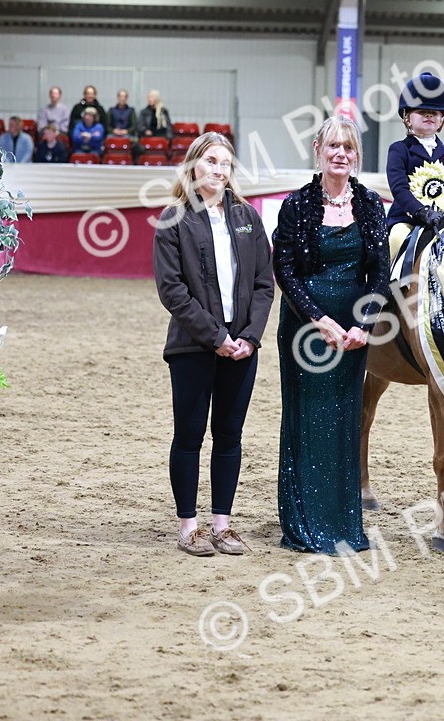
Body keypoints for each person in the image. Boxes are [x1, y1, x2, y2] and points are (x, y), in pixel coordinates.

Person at [153, 132, 275, 556]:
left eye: (225, 163)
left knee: (229, 436)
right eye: (210, 161)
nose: (218, 170)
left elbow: (264, 284)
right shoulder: (173, 219)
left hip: (241, 348)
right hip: (192, 346)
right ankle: (189, 527)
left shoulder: (247, 218)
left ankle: (222, 525)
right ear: (192, 166)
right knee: (189, 435)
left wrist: (249, 337)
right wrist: (216, 336)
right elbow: (172, 291)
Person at [272, 116, 388, 554]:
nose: (341, 153)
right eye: (333, 146)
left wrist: (364, 325)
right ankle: (303, 523)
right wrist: (319, 319)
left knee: (344, 421)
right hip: (305, 331)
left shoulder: (370, 204)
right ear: (318, 150)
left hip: (354, 334)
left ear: (356, 155)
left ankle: (342, 523)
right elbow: (285, 271)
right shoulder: (296, 204)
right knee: (306, 420)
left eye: (349, 147)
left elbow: (380, 273)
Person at [385, 72, 444, 234]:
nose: (429, 115)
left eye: (435, 112)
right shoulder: (399, 149)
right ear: (407, 117)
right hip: (408, 219)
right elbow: (399, 189)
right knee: (396, 237)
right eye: (422, 111)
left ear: (441, 120)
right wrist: (421, 211)